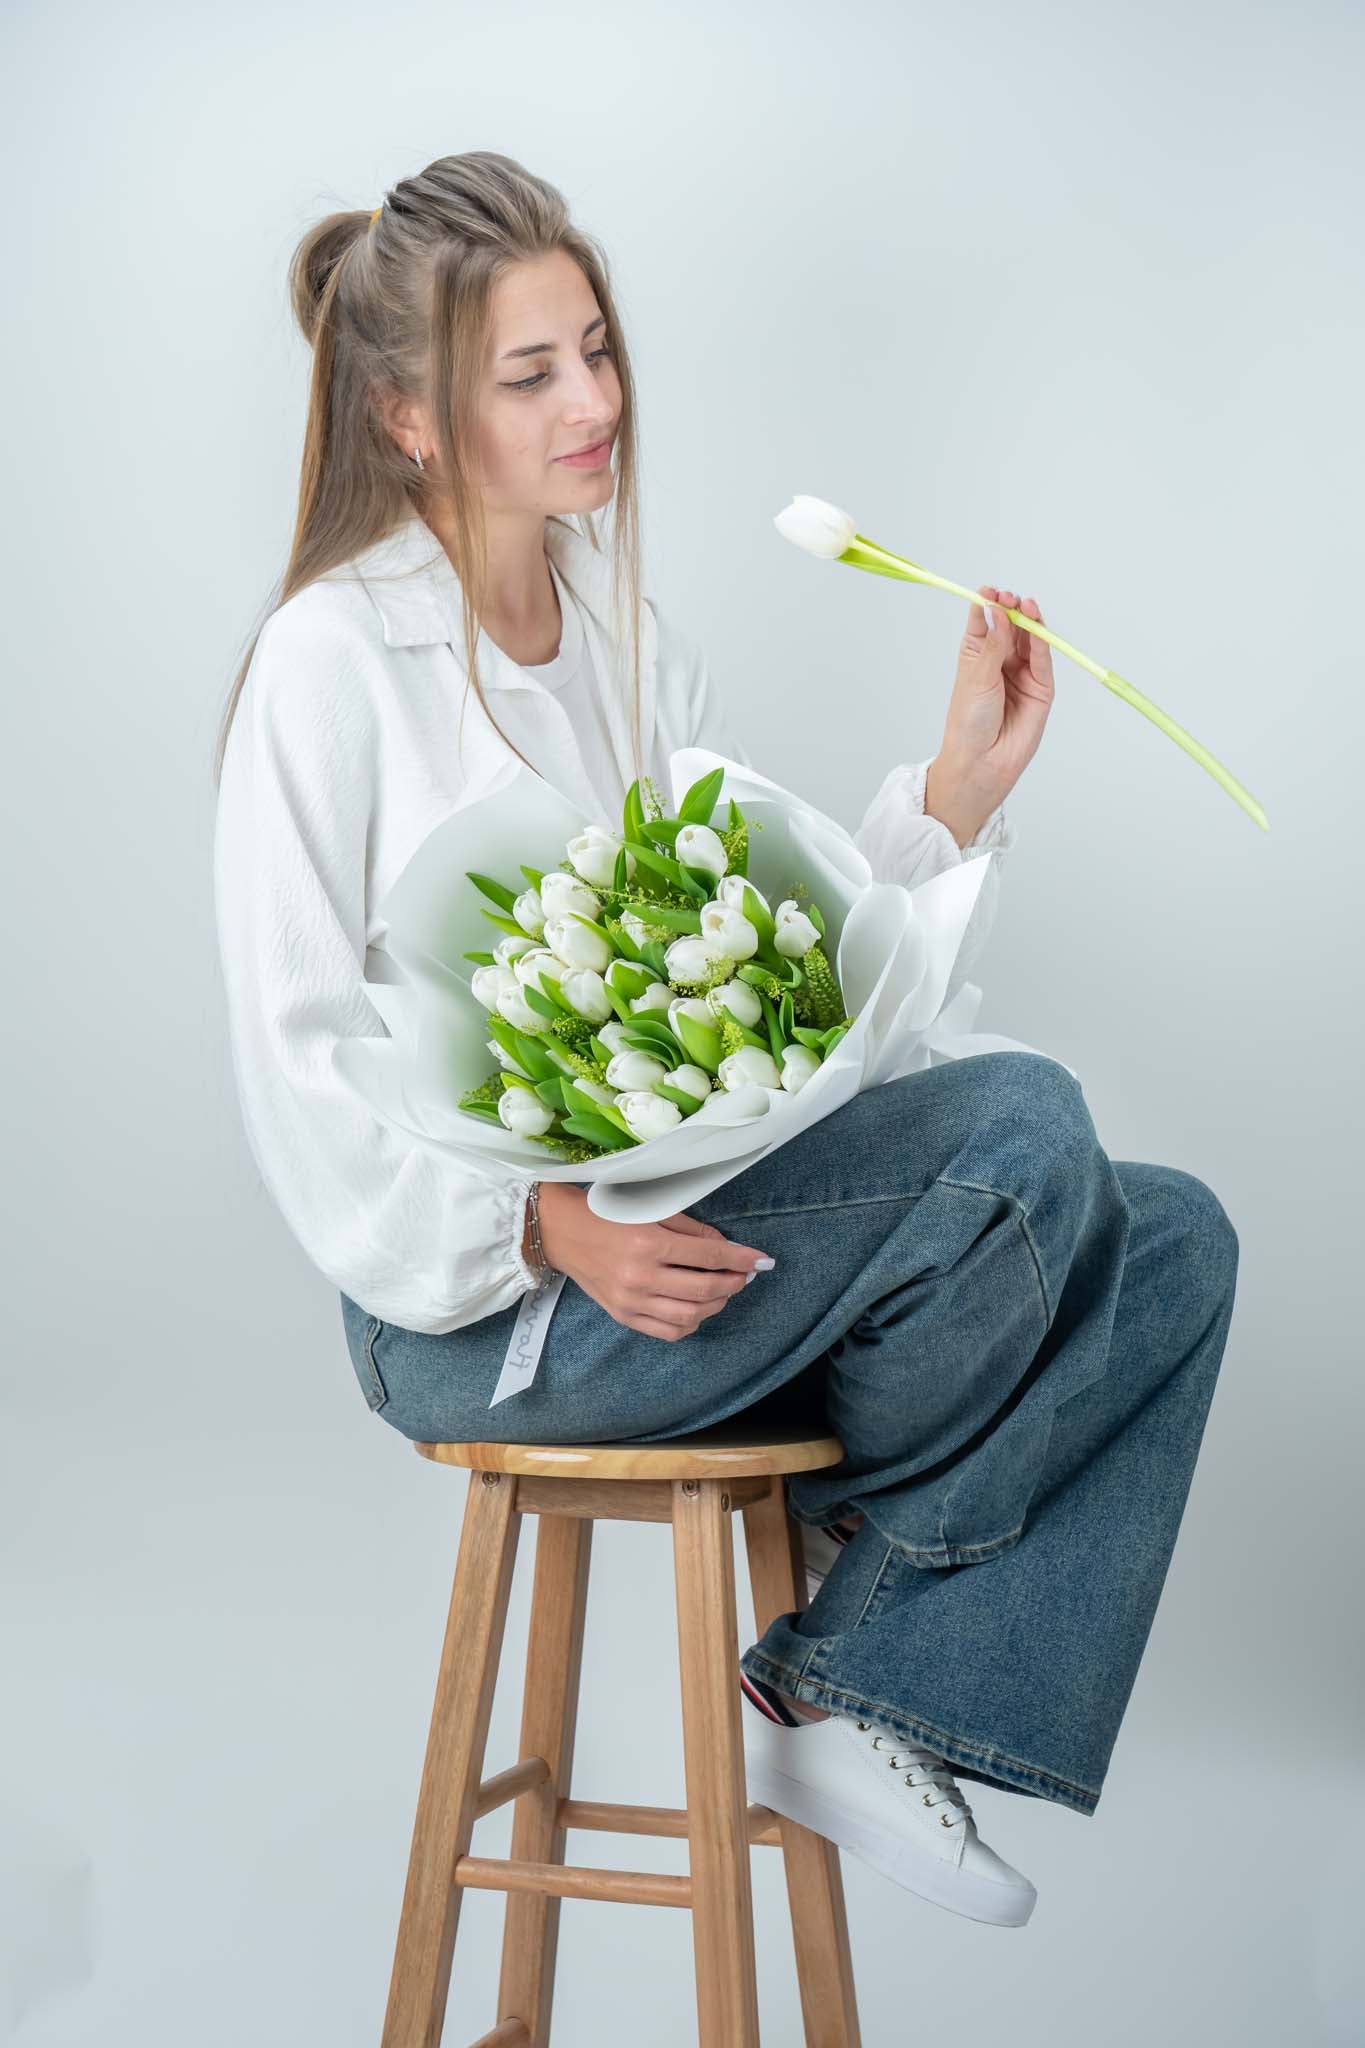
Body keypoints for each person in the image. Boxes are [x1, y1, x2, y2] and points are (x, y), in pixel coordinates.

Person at [212, 151, 1240, 1931]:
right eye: (528, 375)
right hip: (489, 1319)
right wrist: (539, 1226)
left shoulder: (623, 641)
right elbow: (292, 1047)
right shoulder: (332, 660)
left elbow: (748, 982)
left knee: (1171, 1239)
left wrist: (942, 804)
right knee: (1023, 1135)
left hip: (683, 1258)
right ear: (406, 416)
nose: (593, 402)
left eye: (595, 351)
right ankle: (864, 1655)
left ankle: (841, 1676)